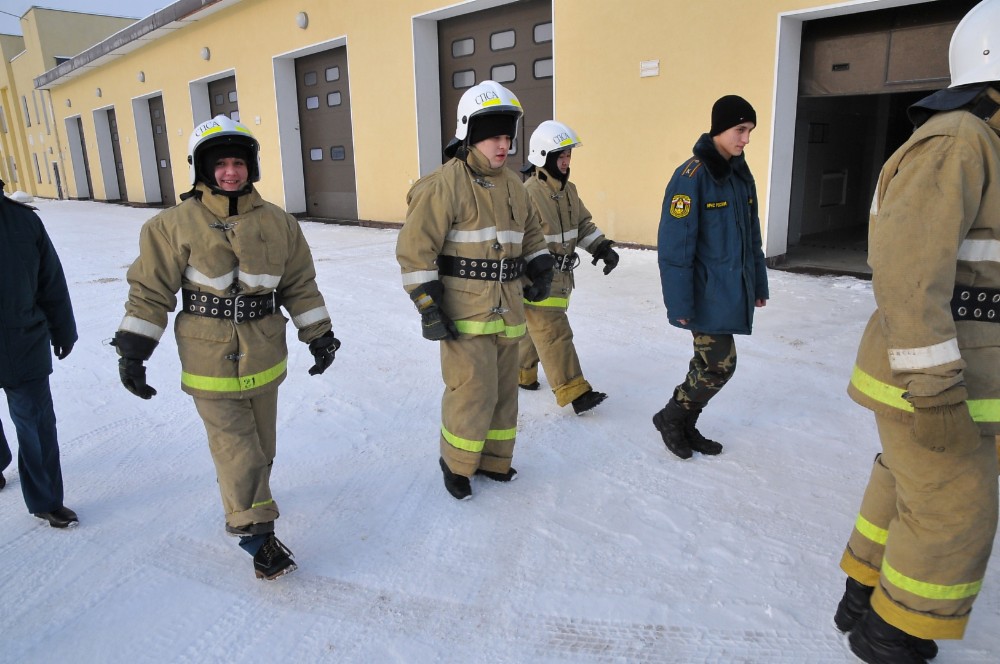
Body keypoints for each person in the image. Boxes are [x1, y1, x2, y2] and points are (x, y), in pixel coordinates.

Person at [834, 2, 1000, 661]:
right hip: (933, 377)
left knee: (908, 484)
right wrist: (934, 390)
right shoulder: (960, 141)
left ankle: (862, 594)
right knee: (954, 511)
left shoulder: (980, 140)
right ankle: (892, 636)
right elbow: (907, 274)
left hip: (960, 370)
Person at [113, 115, 340, 580]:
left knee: (261, 446)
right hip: (207, 356)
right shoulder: (170, 226)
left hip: (265, 352)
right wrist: (134, 351)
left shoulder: (279, 222)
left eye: (238, 163)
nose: (231, 172)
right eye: (220, 164)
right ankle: (257, 535)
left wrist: (318, 334)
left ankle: (244, 500)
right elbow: (150, 292)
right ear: (203, 168)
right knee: (237, 448)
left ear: (251, 166)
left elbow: (299, 284)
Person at [396, 80, 554, 500]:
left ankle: (494, 460)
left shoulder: (515, 185)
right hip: (464, 313)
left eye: (507, 137)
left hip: (509, 309)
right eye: (493, 137)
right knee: (471, 392)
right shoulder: (442, 185)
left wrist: (540, 266)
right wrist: (428, 305)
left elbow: (531, 234)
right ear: (469, 133)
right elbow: (415, 251)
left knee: (503, 393)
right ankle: (457, 463)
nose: (503, 145)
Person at [653, 95, 769, 460]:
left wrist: (758, 284)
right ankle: (671, 417)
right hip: (703, 293)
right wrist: (679, 304)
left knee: (707, 364)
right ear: (720, 128)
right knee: (720, 365)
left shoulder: (739, 175)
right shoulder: (692, 177)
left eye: (750, 131)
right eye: (740, 130)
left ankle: (685, 423)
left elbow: (752, 237)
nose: (746, 139)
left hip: (729, 289)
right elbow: (675, 247)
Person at [518, 120, 618, 415]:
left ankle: (522, 373)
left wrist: (601, 247)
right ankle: (574, 391)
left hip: (563, 278)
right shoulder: (528, 193)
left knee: (533, 330)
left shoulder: (569, 191)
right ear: (543, 156)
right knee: (553, 332)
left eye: (568, 155)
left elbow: (582, 225)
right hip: (538, 277)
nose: (566, 161)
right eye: (560, 156)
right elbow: (516, 239)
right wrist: (524, 275)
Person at [0, 181, 79, 527]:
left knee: (36, 424)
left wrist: (64, 329)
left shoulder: (23, 220)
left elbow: (51, 280)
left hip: (23, 342)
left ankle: (47, 500)